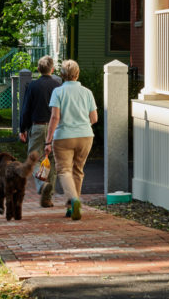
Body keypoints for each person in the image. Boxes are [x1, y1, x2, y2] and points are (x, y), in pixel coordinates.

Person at [43, 59, 97, 221]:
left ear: (62, 75)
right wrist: (81, 125)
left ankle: (74, 201)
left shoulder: (58, 92)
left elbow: (55, 117)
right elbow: (94, 118)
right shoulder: (87, 92)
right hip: (85, 136)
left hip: (63, 137)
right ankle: (72, 206)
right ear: (77, 74)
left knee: (65, 171)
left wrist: (48, 141)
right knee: (78, 171)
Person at [18, 55, 61, 206]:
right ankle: (47, 198)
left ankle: (42, 184)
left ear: (38, 69)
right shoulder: (57, 86)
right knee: (52, 161)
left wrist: (22, 128)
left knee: (35, 159)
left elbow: (26, 109)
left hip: (37, 126)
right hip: (54, 127)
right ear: (52, 69)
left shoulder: (33, 86)